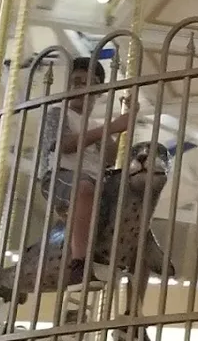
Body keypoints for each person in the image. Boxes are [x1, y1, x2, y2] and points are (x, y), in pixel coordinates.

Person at [38, 57, 138, 286]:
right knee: (83, 188)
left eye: (85, 82)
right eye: (75, 82)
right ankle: (79, 263)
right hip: (60, 175)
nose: (78, 87)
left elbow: (110, 158)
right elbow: (63, 144)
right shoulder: (57, 112)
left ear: (97, 90)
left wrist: (125, 126)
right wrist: (111, 127)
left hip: (94, 180)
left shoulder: (94, 124)